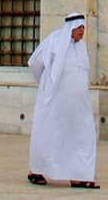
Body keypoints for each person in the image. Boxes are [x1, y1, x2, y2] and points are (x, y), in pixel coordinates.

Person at [27, 12, 99, 189]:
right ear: (71, 28)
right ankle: (36, 171)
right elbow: (34, 62)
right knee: (49, 135)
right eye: (79, 28)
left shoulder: (82, 47)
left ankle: (79, 175)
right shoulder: (54, 41)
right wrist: (45, 85)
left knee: (81, 137)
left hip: (78, 105)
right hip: (54, 102)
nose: (82, 31)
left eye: (83, 28)